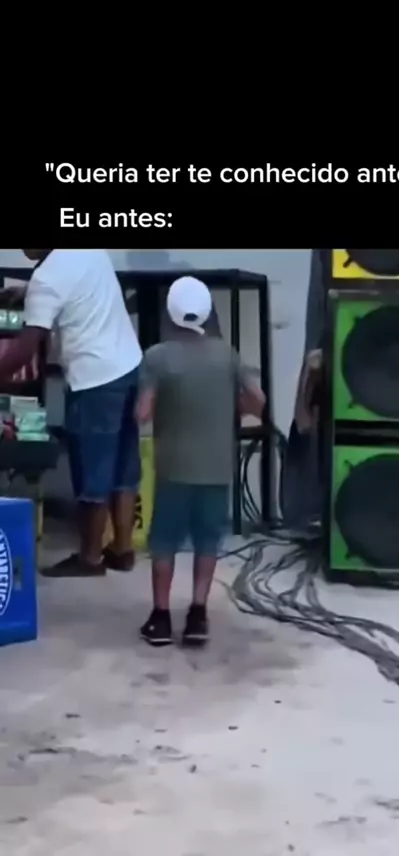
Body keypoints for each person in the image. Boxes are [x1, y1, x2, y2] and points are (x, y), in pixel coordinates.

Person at [136, 275, 265, 648]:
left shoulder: (157, 357)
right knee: (208, 540)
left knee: (164, 541)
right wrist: (232, 407)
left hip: (174, 468)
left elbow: (143, 413)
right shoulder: (228, 355)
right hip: (217, 467)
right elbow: (258, 400)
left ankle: (161, 618)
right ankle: (197, 615)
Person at [0, 250, 143, 577]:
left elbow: (24, 350)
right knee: (123, 466)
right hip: (128, 365)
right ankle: (122, 549)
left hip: (94, 380)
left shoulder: (46, 279)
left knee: (92, 471)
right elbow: (73, 283)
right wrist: (29, 293)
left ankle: (89, 559)